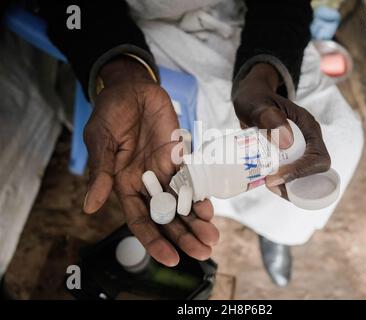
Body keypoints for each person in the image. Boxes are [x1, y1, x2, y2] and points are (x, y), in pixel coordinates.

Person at [37, 0, 333, 287]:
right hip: (135, 33)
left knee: (331, 140)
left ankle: (275, 230)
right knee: (233, 155)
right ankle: (270, 220)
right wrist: (121, 72)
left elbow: (287, 7)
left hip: (245, 29)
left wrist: (263, 74)